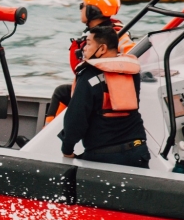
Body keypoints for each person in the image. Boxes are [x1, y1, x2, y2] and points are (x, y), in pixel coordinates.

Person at [61, 27, 150, 168]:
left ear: (102, 49)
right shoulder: (132, 72)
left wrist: (67, 149)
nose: (84, 48)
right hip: (138, 152)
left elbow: (76, 119)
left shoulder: (89, 75)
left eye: (88, 44)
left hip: (103, 156)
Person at [46, 0, 135, 123]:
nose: (80, 9)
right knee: (65, 91)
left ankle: (45, 137)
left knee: (61, 92)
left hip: (104, 90)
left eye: (83, 6)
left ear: (92, 10)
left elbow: (132, 52)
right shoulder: (97, 32)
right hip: (97, 85)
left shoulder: (115, 34)